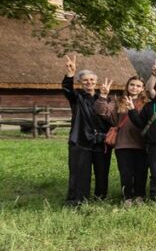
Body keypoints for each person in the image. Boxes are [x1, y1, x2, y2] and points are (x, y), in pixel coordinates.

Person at [62, 55, 114, 206]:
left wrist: (104, 96)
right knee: (79, 173)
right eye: (85, 80)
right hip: (80, 140)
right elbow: (66, 89)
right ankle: (77, 200)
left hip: (101, 140)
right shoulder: (76, 97)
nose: (89, 82)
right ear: (80, 82)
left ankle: (100, 198)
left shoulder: (105, 98)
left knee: (102, 172)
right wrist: (70, 74)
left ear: (96, 81)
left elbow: (111, 118)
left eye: (92, 80)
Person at [108, 76, 148, 206]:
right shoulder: (119, 102)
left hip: (141, 143)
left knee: (141, 171)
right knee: (126, 172)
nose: (134, 87)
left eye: (138, 85)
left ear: (142, 88)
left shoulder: (146, 103)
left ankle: (139, 196)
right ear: (127, 86)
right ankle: (127, 197)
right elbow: (108, 115)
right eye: (132, 84)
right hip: (123, 143)